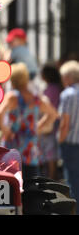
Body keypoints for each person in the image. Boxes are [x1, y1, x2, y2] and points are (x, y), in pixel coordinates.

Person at [0, 63, 57, 181]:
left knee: (12, 183)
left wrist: (6, 130)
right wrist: (39, 126)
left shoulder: (12, 97)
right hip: (31, 149)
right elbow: (53, 114)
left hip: (13, 145)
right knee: (31, 184)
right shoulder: (36, 98)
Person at [57, 60, 79, 206]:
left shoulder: (68, 94)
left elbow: (65, 123)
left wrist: (60, 140)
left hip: (71, 145)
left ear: (67, 77)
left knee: (72, 181)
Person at [39, 63, 63, 180]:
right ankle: (53, 178)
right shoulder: (58, 87)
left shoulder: (49, 89)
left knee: (49, 154)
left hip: (50, 123)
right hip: (56, 123)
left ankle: (51, 179)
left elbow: (49, 109)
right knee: (52, 154)